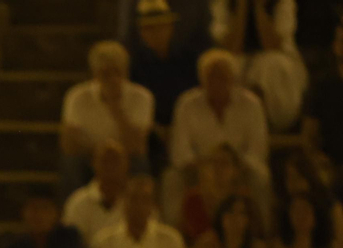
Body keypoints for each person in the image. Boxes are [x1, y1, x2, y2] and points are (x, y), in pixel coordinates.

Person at [168, 49, 269, 217]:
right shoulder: (186, 104)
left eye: (222, 76)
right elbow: (180, 152)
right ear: (202, 79)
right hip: (198, 170)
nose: (217, 82)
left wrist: (232, 170)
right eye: (211, 76)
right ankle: (176, 236)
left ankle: (262, 234)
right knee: (171, 180)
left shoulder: (252, 105)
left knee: (261, 178)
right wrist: (206, 171)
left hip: (240, 170)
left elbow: (257, 151)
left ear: (233, 78)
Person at [60, 41, 154, 193]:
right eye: (106, 73)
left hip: (125, 158)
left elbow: (137, 146)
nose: (113, 79)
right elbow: (68, 144)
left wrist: (115, 107)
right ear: (95, 73)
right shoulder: (76, 96)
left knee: (139, 163)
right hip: (90, 157)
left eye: (117, 72)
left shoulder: (142, 97)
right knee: (71, 162)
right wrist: (100, 156)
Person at [130, 0, 213, 155]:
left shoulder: (189, 59)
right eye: (149, 28)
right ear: (141, 32)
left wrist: (180, 127)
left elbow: (198, 94)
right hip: (152, 134)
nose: (156, 32)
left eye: (161, 26)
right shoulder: (134, 66)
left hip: (189, 126)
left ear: (171, 27)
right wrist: (155, 128)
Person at [210, 0, 308, 131]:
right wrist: (242, 6)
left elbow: (272, 45)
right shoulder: (223, 3)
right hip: (240, 58)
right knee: (229, 66)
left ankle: (268, 126)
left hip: (276, 59)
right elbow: (233, 46)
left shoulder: (282, 3)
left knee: (271, 66)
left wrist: (258, 7)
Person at [63, 139, 134, 248]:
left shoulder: (138, 202)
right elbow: (71, 246)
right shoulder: (78, 203)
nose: (110, 166)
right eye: (105, 160)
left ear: (126, 164)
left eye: (115, 161)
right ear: (94, 164)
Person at [301, 21, 343, 165]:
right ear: (335, 46)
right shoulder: (322, 85)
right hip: (332, 163)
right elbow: (309, 134)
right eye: (341, 41)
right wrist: (316, 158)